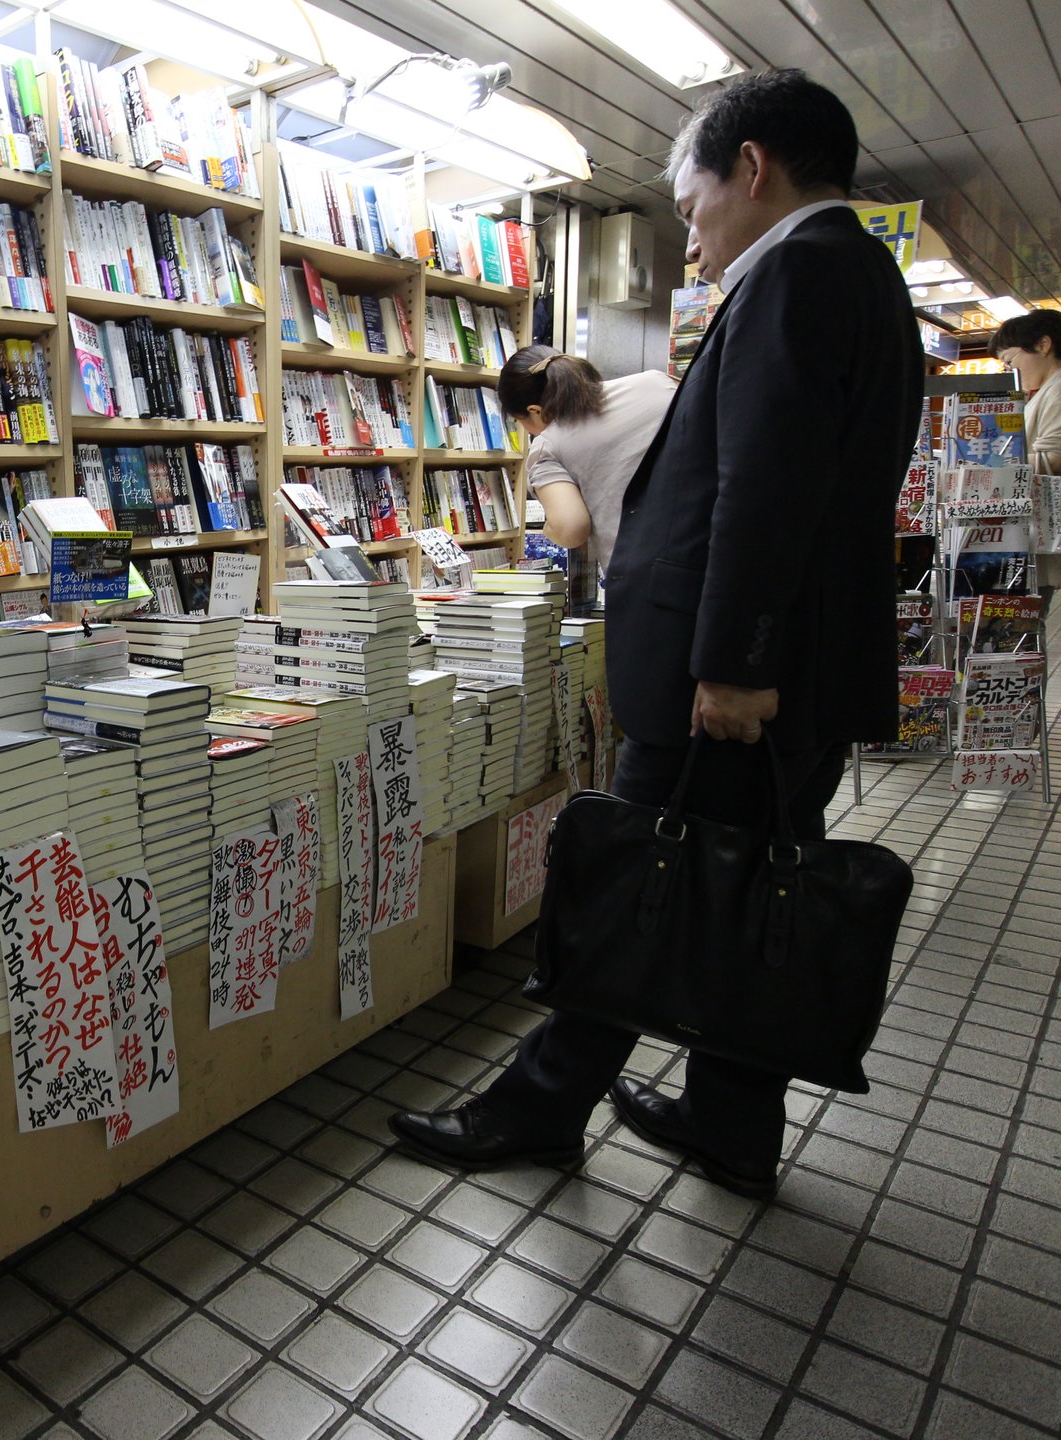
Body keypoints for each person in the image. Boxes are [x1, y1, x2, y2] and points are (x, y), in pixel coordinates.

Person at [388, 69, 923, 1199]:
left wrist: (733, 663)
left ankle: (539, 1107)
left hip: (729, 686)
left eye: (688, 205)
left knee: (634, 883)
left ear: (752, 168)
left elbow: (766, 490)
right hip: (794, 669)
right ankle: (731, 1121)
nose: (689, 236)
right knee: (741, 882)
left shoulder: (795, 276)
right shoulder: (860, 274)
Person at [496, 348, 674, 579]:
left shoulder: (548, 446)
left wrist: (548, 529)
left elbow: (570, 529)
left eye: (520, 421)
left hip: (646, 577)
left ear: (535, 411)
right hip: (720, 551)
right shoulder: (656, 382)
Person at [990, 309, 1061, 473]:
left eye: (1009, 361)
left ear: (1042, 345)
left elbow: (1054, 459)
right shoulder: (1046, 389)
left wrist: (992, 463)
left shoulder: (1058, 388)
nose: (1009, 370)